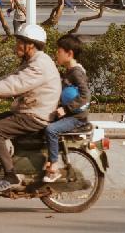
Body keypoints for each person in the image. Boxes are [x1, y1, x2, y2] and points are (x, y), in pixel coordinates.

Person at [0, 24, 61, 192]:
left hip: (35, 115)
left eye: (19, 42)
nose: (16, 45)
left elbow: (14, 85)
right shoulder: (33, 61)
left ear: (30, 44)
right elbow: (9, 78)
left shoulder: (39, 65)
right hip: (28, 110)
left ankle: (10, 174)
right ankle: (2, 166)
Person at [42, 34, 91, 183]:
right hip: (70, 114)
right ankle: (47, 160)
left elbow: (86, 95)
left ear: (69, 54)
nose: (56, 53)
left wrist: (67, 109)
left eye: (59, 51)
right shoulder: (70, 70)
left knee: (51, 130)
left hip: (76, 118)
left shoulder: (76, 72)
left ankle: (54, 166)